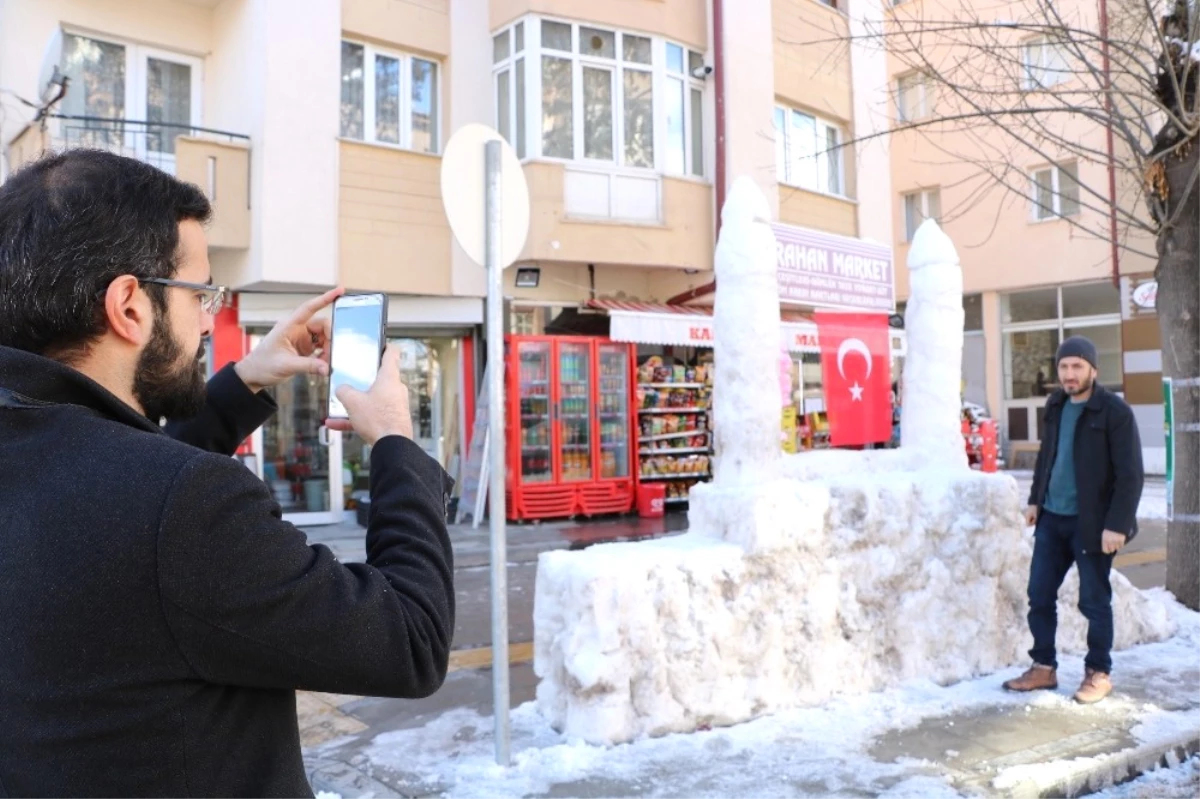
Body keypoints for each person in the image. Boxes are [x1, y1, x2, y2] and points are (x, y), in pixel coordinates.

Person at [0, 150, 455, 796]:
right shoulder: (188, 506)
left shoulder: (43, 454)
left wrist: (244, 382)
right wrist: (394, 440)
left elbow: (109, 481)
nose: (211, 316)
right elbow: (411, 637)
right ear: (129, 305)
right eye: (201, 293)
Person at [1003, 336, 1143, 704]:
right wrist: (1035, 500)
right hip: (1052, 519)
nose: (1069, 374)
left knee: (1094, 601)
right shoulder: (1056, 405)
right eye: (1064, 366)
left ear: (1093, 370)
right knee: (1039, 594)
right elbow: (1046, 457)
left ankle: (1098, 672)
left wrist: (1118, 524)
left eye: (1077, 366)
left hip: (1093, 524)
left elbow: (1130, 475)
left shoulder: (1114, 412)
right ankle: (1043, 668)